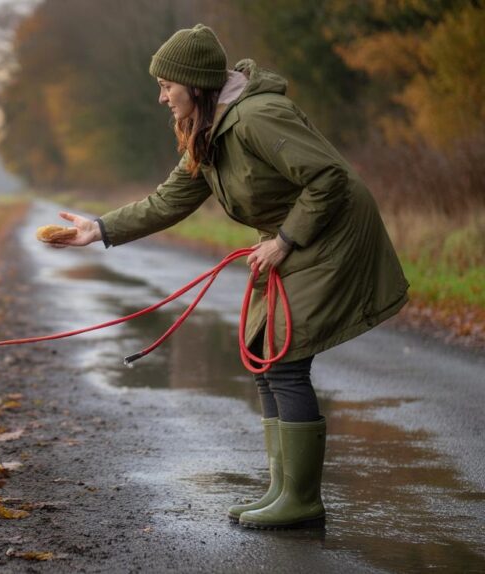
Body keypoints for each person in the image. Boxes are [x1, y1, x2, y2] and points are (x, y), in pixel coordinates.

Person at [51, 24, 409, 529]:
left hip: (331, 232)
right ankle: (281, 490)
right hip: (291, 238)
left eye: (166, 86)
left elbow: (330, 177)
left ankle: (302, 501)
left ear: (194, 84)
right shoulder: (209, 129)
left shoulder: (258, 116)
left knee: (284, 360)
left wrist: (284, 240)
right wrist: (100, 229)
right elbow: (169, 199)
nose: (161, 98)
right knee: (265, 357)